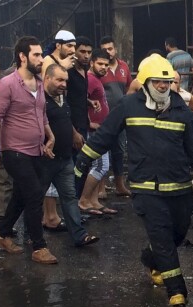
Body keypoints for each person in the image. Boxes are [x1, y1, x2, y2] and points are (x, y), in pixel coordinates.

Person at [75, 54, 193, 306]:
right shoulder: (128, 106)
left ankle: (151, 257)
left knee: (176, 236)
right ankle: (177, 293)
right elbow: (105, 135)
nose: (163, 86)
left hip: (180, 189)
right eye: (157, 81)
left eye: (166, 82)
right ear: (146, 82)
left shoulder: (181, 110)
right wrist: (82, 160)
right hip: (146, 189)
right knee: (161, 236)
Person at [0, 36, 58, 264]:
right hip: (14, 151)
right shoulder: (7, 84)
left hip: (36, 150)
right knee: (35, 193)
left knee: (21, 195)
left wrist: (50, 136)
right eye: (36, 55)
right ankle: (39, 246)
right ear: (22, 57)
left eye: (41, 54)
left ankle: (1, 235)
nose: (41, 59)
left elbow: (42, 114)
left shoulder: (39, 83)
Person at [42, 63, 98, 247]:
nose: (64, 84)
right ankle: (31, 237)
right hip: (45, 159)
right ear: (47, 78)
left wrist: (74, 134)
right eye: (59, 80)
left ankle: (80, 236)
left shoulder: (61, 97)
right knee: (33, 198)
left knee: (69, 197)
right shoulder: (38, 99)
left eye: (65, 81)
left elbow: (65, 118)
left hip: (65, 158)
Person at [78, 49, 115, 216]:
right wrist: (89, 123)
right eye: (100, 64)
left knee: (97, 166)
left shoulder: (95, 80)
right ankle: (84, 200)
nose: (103, 67)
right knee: (101, 165)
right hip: (94, 132)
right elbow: (80, 102)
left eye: (106, 65)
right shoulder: (91, 80)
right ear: (92, 63)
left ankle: (93, 201)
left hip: (100, 129)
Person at [99, 35, 133, 197]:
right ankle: (101, 187)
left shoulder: (124, 66)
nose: (108, 52)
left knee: (119, 151)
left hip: (121, 117)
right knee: (102, 151)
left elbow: (129, 88)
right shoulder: (99, 69)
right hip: (103, 118)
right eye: (104, 50)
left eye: (110, 49)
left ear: (116, 49)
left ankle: (120, 185)